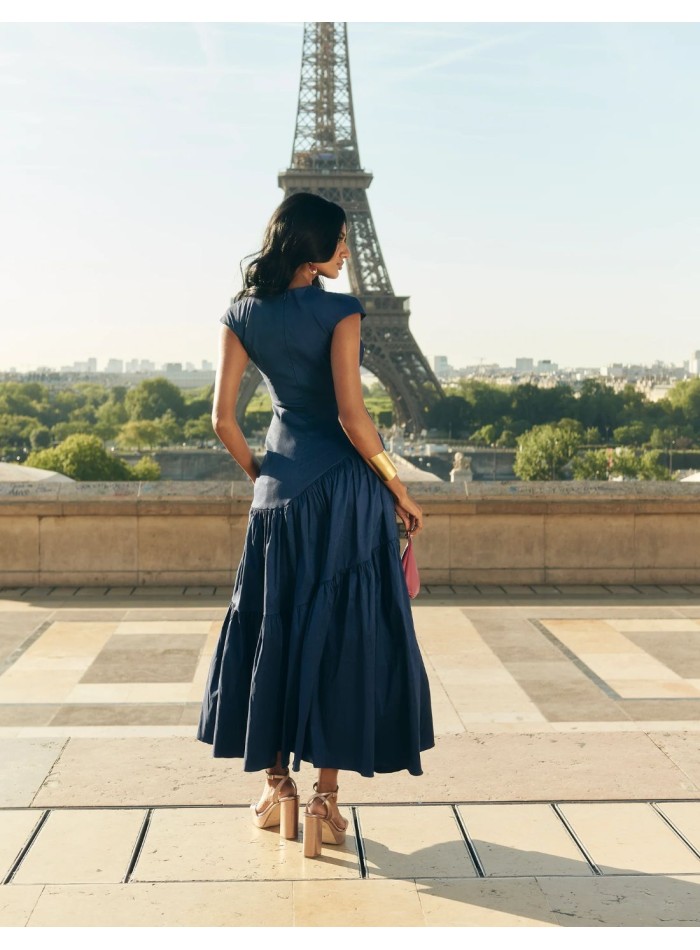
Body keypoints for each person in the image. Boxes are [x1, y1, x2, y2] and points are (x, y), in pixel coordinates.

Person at [196, 192, 434, 857]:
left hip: (279, 493)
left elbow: (223, 421)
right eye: (340, 240)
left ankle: (280, 792)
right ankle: (327, 805)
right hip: (346, 497)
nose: (347, 251)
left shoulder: (241, 313)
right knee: (342, 636)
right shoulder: (340, 310)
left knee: (274, 627)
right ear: (314, 243)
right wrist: (398, 484)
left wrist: (263, 476)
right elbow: (355, 419)